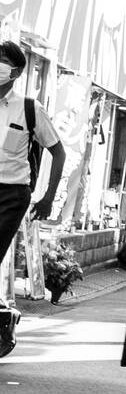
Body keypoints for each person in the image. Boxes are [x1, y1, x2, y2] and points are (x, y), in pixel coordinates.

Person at [0, 40, 66, 357]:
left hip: (11, 195)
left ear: (15, 71)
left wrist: (49, 197)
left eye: (1, 61)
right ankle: (4, 315)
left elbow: (58, 150)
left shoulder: (28, 107)